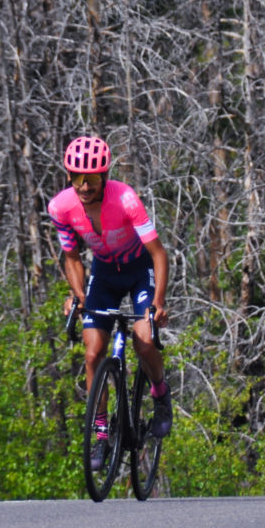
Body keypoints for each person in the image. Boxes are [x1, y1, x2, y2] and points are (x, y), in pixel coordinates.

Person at [47, 136, 172, 470]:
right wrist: (78, 296)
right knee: (92, 353)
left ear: (105, 175)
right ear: (69, 177)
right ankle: (101, 433)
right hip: (104, 273)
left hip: (138, 269)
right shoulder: (61, 208)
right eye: (76, 178)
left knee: (144, 342)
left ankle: (160, 394)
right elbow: (72, 258)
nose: (84, 186)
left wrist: (157, 302)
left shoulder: (127, 200)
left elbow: (158, 254)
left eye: (91, 178)